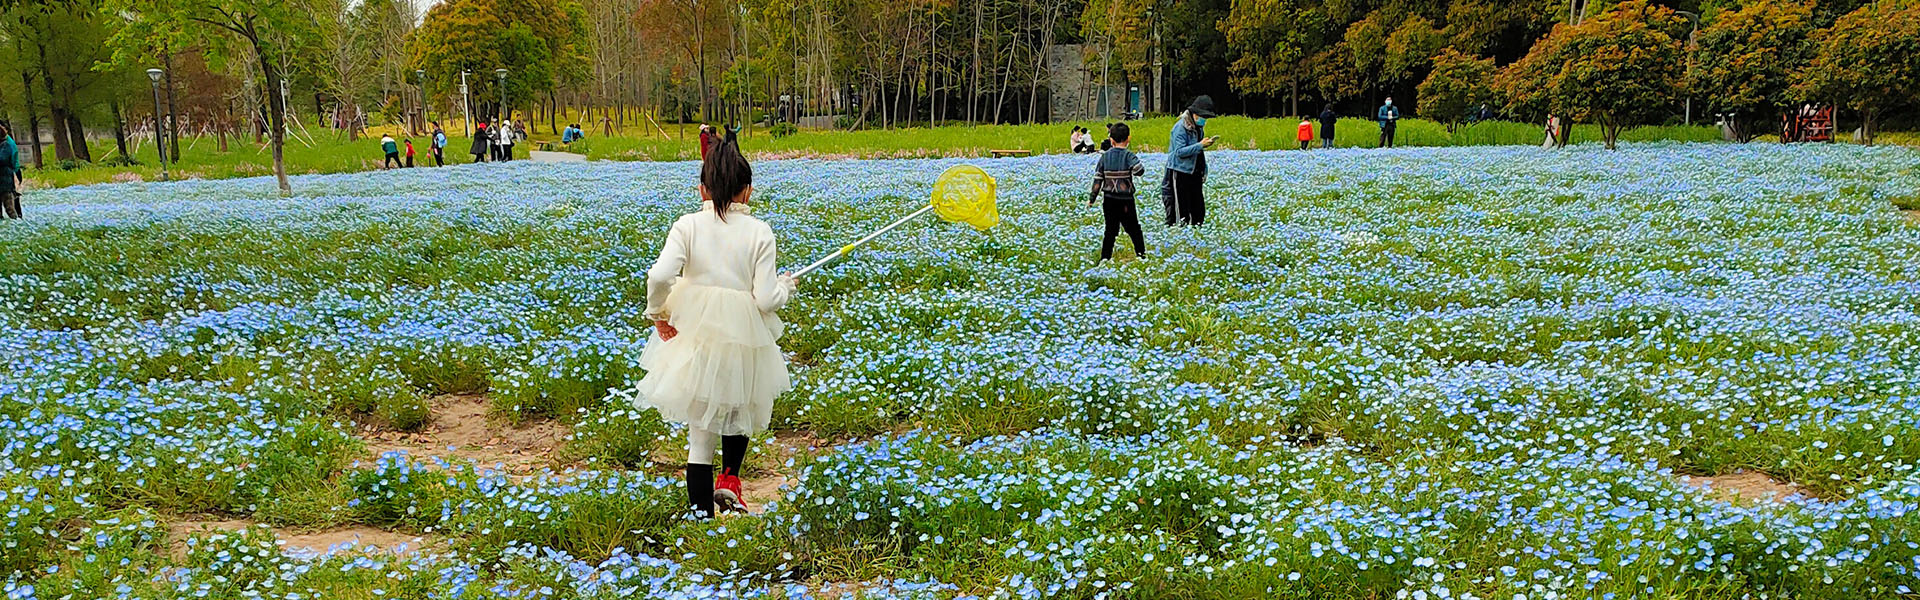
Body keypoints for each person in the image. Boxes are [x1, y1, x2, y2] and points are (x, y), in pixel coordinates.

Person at [632, 128, 796, 518]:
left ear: (701, 190)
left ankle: (702, 518)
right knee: (739, 402)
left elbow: (658, 278)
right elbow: (766, 299)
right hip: (742, 335)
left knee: (699, 431)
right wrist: (787, 287)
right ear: (748, 191)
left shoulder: (686, 226)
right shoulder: (759, 232)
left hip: (695, 329)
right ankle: (730, 479)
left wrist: (659, 313)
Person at [1089, 122, 1146, 261]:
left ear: (1111, 140)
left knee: (1110, 231)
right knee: (1134, 229)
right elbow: (1140, 171)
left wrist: (1092, 199)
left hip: (1109, 200)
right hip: (1126, 200)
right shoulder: (1129, 155)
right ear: (1128, 139)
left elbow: (1098, 180)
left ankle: (1105, 258)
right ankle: (1141, 255)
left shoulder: (1104, 157)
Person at [1163, 96, 1217, 227]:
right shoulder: (1180, 128)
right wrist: (1200, 145)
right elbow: (1179, 152)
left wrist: (1204, 169)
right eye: (1203, 116)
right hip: (1180, 170)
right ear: (1194, 114)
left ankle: (1196, 230)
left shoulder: (1198, 128)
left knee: (1198, 207)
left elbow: (1199, 152)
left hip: (1194, 171)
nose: (1205, 120)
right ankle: (1179, 231)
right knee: (1181, 208)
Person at [0, 123, 21, 220]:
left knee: (9, 207)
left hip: (5, 181)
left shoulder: (6, 144)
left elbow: (3, 159)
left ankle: (17, 222)